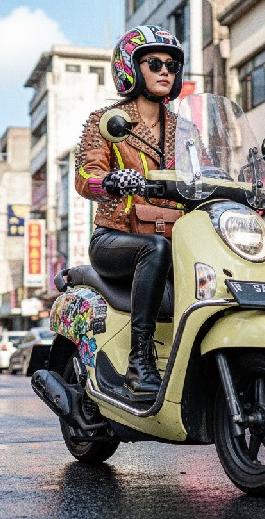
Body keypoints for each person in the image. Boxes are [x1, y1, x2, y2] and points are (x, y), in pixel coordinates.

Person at [73, 25, 185, 394]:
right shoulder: (105, 122)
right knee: (155, 248)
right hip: (116, 238)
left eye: (171, 64)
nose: (165, 70)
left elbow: (207, 171)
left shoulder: (185, 130)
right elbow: (85, 176)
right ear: (131, 67)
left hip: (175, 236)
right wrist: (110, 181)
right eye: (155, 63)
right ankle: (140, 362)